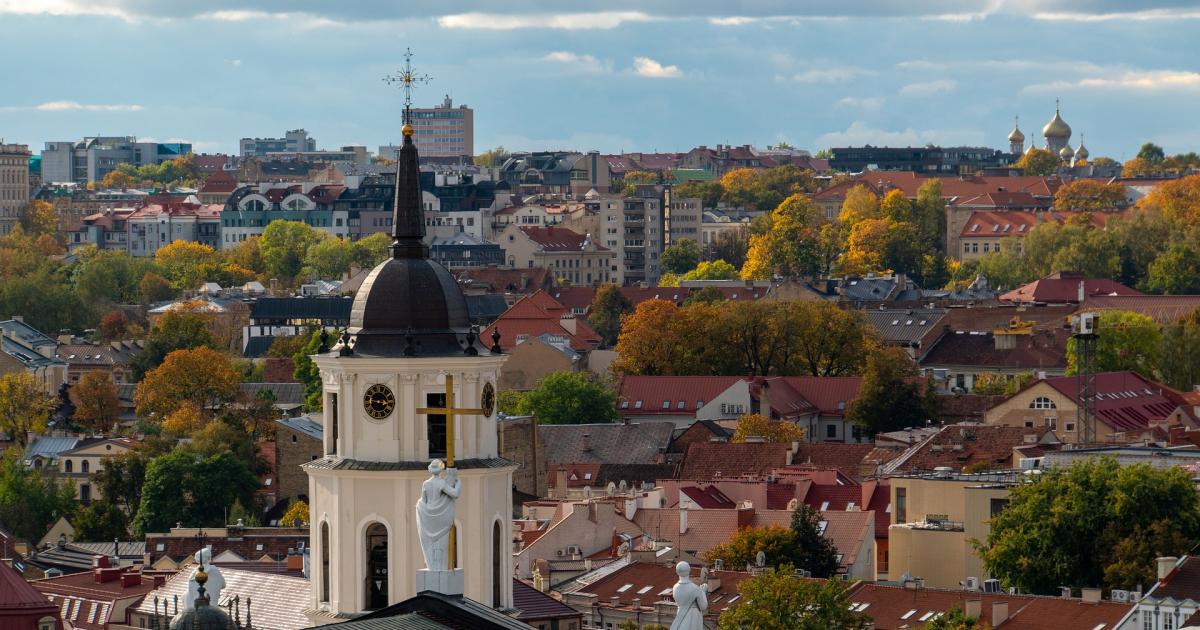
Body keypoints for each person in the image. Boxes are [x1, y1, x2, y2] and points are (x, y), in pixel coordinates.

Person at [415, 459, 460, 571]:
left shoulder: (425, 483)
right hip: (440, 519)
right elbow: (455, 494)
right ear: (441, 469)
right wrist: (459, 483)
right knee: (441, 546)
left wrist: (422, 510)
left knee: (430, 545)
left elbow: (423, 500)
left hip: (428, 518)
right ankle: (440, 568)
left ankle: (432, 566)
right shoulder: (441, 483)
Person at [670, 561, 706, 630]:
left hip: (680, 618)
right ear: (689, 571)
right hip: (693, 618)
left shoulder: (675, 587)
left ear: (677, 572)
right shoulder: (695, 588)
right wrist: (703, 592)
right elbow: (703, 606)